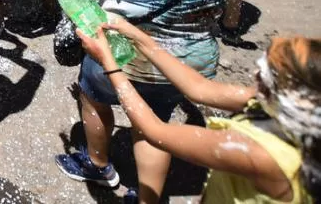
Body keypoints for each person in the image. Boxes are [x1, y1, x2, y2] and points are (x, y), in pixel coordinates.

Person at [37, 0, 235, 204]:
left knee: (93, 97)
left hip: (125, 52)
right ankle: (147, 198)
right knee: (154, 121)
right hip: (185, 60)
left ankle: (98, 165)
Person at [78, 20, 320, 204]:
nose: (257, 70)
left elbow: (155, 131)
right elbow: (198, 88)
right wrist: (142, 40)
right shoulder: (281, 108)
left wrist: (108, 62)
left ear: (298, 99)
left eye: (269, 75)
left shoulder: (260, 154)